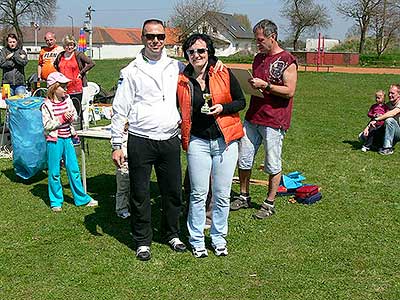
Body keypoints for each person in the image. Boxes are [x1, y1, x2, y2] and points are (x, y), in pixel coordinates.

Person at [111, 19, 187, 261]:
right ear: (142, 38)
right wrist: (116, 144)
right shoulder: (130, 71)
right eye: (150, 36)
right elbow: (119, 109)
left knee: (173, 191)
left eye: (160, 36)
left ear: (166, 38)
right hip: (140, 139)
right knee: (140, 193)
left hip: (169, 139)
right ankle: (143, 240)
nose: (155, 41)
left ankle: (171, 233)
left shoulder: (178, 67)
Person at [177, 33, 245, 258]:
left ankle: (218, 238)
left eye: (201, 51)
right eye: (191, 52)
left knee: (222, 194)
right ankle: (196, 239)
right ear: (186, 54)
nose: (196, 55)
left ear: (209, 52)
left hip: (225, 141)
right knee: (198, 193)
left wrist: (222, 108)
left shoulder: (223, 72)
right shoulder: (181, 79)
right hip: (198, 141)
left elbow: (241, 101)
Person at [230, 19, 298, 219]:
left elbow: (290, 91)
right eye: (256, 39)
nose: (257, 43)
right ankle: (244, 196)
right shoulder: (258, 58)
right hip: (253, 117)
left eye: (260, 40)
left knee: (272, 163)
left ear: (272, 37)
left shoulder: (288, 60)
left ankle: (269, 203)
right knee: (244, 158)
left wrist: (266, 86)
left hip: (274, 120)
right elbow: (257, 86)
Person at [41, 72, 98, 212]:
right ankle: (56, 201)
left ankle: (81, 198)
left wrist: (71, 117)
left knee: (74, 169)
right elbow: (47, 125)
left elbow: (74, 115)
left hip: (68, 139)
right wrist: (61, 119)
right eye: (63, 86)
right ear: (54, 88)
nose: (66, 89)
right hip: (54, 140)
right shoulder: (46, 105)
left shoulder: (68, 100)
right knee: (54, 171)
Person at [54, 34, 95, 118]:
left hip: (76, 86)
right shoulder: (60, 56)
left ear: (74, 45)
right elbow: (55, 65)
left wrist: (81, 72)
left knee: (77, 108)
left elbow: (91, 63)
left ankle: (79, 125)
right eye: (67, 45)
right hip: (64, 87)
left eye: (71, 45)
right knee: (65, 108)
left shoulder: (78, 54)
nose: (69, 47)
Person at [370, 84, 400, 155]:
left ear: (399, 94)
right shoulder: (388, 104)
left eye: (392, 93)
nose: (390, 95)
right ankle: (377, 143)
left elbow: (392, 113)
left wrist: (378, 119)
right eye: (389, 93)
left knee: (389, 120)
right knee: (362, 137)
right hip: (389, 129)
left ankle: (388, 148)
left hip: (398, 132)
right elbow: (380, 115)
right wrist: (368, 127)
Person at [115, 122, 130, 219]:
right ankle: (121, 209)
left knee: (134, 187)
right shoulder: (119, 136)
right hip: (123, 163)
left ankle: (130, 206)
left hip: (135, 162)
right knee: (122, 188)